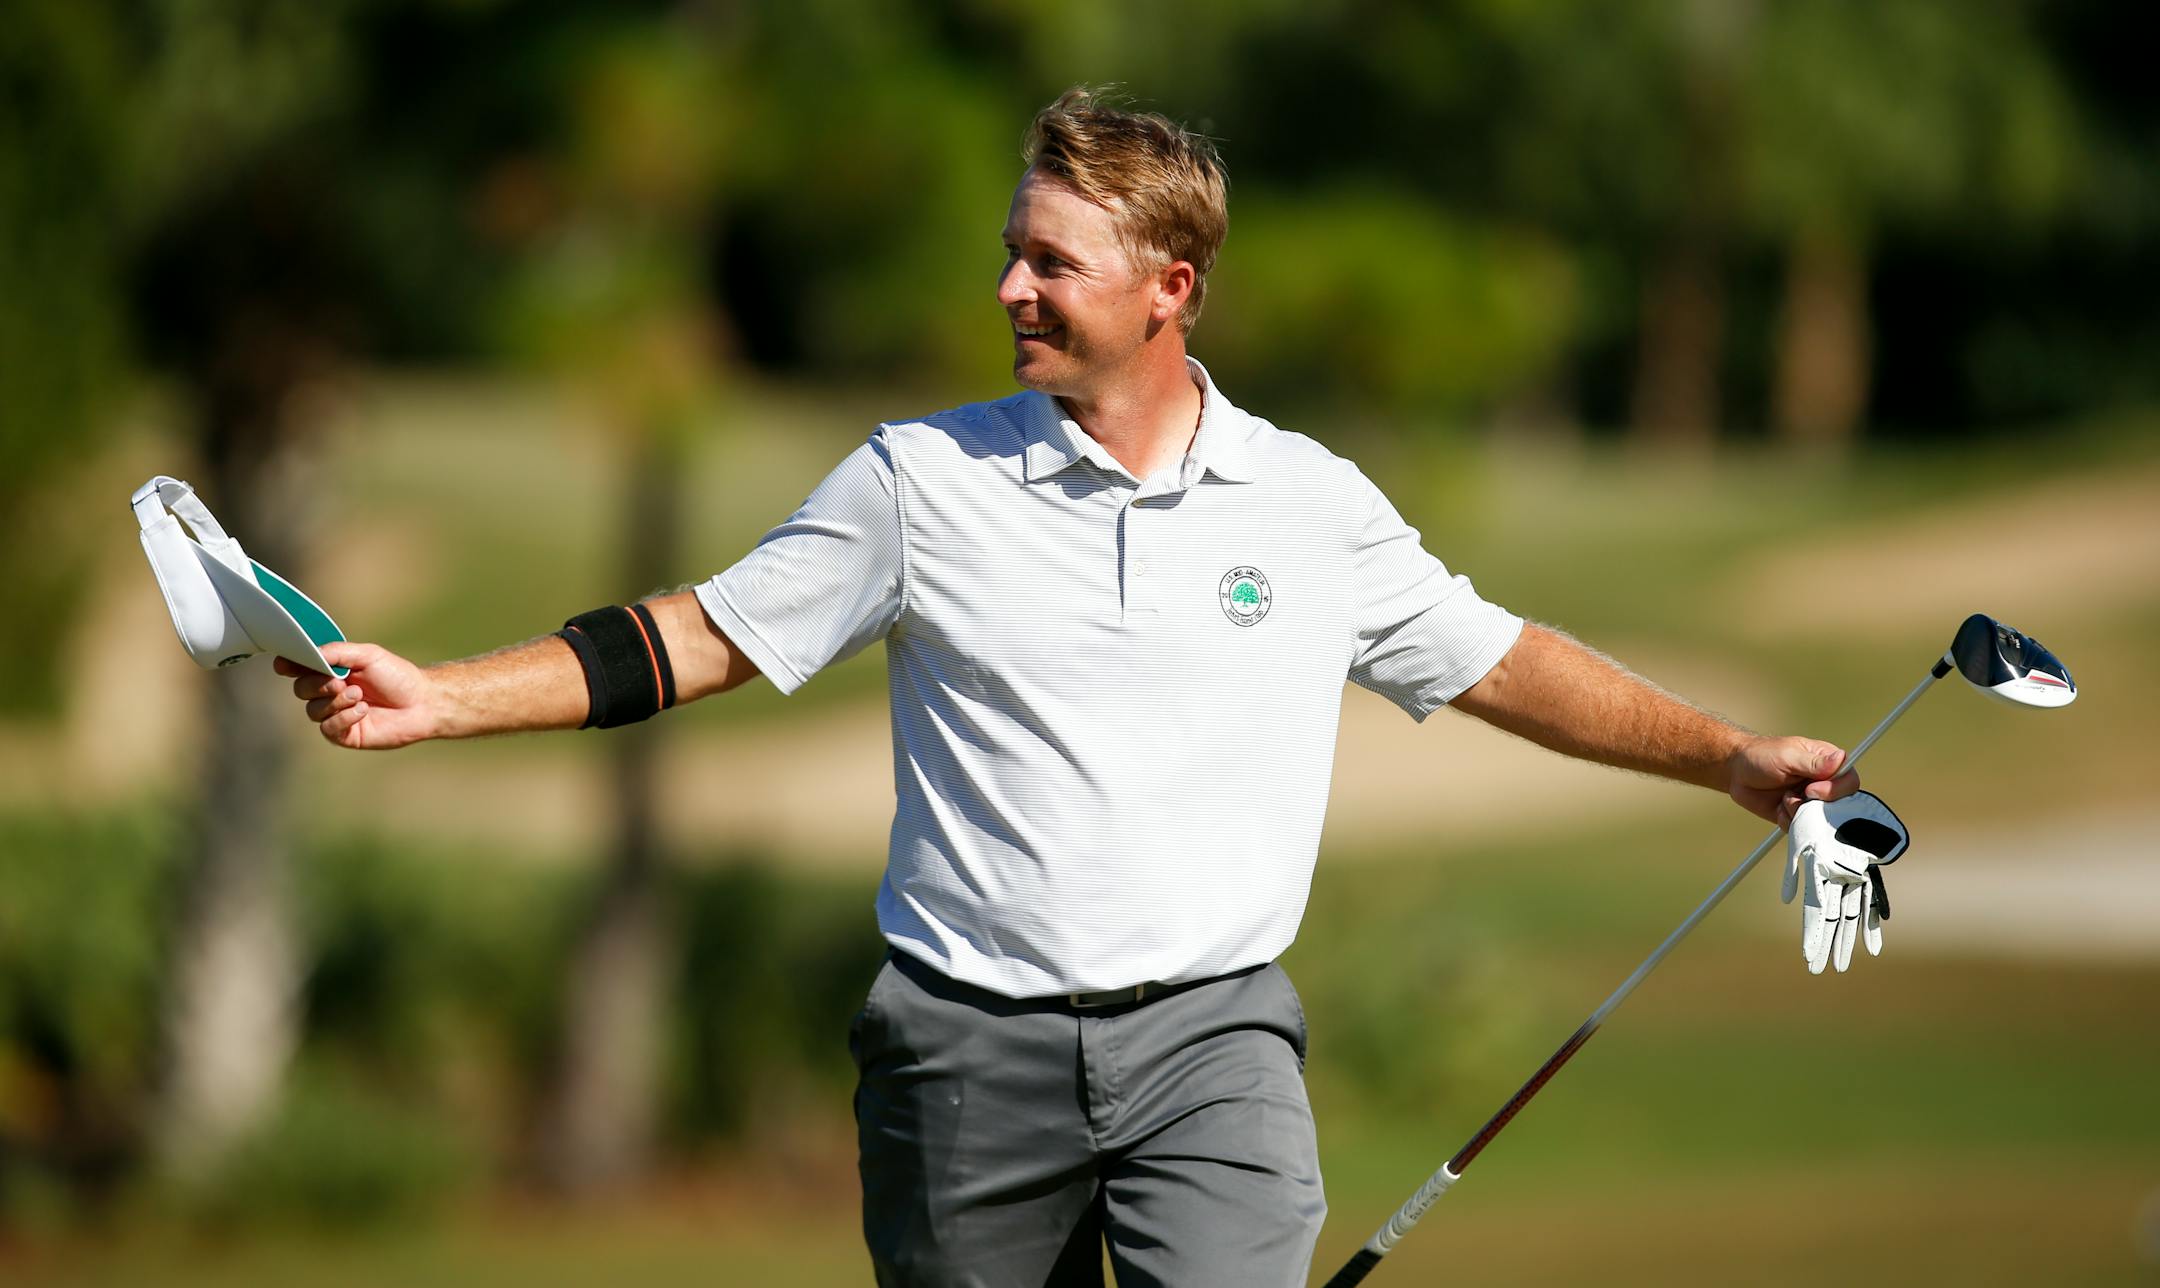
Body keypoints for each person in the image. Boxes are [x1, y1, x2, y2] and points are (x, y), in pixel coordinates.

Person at [280, 89, 1858, 1287]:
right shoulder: (918, 482)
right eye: (1010, 253)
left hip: (1214, 1048)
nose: (1009, 289)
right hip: (964, 1056)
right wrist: (441, 697)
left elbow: (1500, 661)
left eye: (1051, 261)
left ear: (1170, 287)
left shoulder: (1306, 503)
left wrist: (1723, 754)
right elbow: (701, 636)